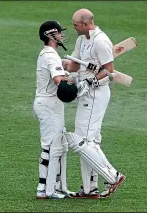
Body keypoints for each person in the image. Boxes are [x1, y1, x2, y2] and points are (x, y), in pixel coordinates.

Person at [62, 8, 126, 198]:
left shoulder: (101, 41)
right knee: (90, 142)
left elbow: (109, 72)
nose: (74, 28)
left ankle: (113, 176)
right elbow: (75, 63)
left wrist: (89, 82)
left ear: (86, 24)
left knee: (81, 141)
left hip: (96, 95)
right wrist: (65, 72)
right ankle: (90, 189)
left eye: (76, 25)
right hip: (86, 93)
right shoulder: (82, 39)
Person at [33, 20, 75, 199]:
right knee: (50, 147)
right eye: (58, 32)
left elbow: (63, 68)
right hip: (48, 104)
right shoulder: (50, 55)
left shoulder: (51, 54)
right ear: (51, 35)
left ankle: (57, 186)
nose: (61, 35)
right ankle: (43, 189)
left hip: (52, 104)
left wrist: (71, 69)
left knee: (60, 146)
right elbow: (58, 80)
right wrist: (75, 82)